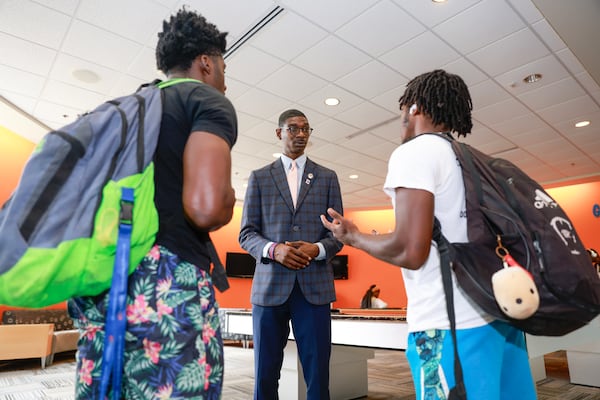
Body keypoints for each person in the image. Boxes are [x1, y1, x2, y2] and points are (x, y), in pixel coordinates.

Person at [321, 70, 536, 400]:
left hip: (447, 326)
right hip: (499, 319)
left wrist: (354, 237)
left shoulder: (415, 153)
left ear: (415, 107)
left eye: (402, 110)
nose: (401, 119)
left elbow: (411, 250)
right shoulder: (472, 159)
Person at [68, 8, 237, 399]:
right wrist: (228, 199)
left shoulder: (125, 108)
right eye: (224, 68)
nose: (225, 82)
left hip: (102, 286)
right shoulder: (205, 100)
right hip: (168, 286)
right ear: (206, 63)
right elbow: (205, 208)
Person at [239, 109, 344, 399]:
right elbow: (246, 234)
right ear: (279, 133)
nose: (300, 134)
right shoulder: (260, 178)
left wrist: (319, 249)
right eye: (293, 128)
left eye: (306, 129)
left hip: (314, 288)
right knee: (265, 375)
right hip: (269, 288)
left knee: (318, 374)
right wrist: (274, 250)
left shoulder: (327, 177)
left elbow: (338, 234)